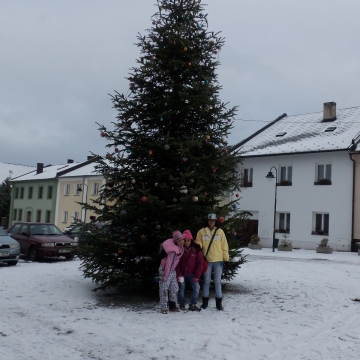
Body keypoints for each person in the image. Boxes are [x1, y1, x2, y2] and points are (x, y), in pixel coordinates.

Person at [195, 213, 229, 311]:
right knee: (206, 281)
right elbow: (199, 242)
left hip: (218, 260)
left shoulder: (220, 232)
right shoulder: (201, 232)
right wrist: (198, 245)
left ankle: (219, 303)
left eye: (213, 220)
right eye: (210, 220)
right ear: (207, 221)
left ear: (215, 221)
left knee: (217, 281)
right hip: (207, 260)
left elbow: (224, 246)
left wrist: (226, 259)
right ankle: (205, 302)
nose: (211, 222)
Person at [176, 230, 204, 311]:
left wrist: (197, 275)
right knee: (181, 287)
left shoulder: (196, 250)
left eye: (188, 241)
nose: (187, 242)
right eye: (185, 240)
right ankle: (181, 303)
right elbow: (177, 263)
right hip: (182, 273)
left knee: (196, 287)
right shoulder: (180, 250)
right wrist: (179, 274)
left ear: (191, 241)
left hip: (192, 273)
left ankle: (193, 303)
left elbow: (200, 263)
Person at [158, 230, 185, 314]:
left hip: (172, 270)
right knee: (164, 288)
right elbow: (169, 264)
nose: (181, 242)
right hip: (165, 270)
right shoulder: (173, 252)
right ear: (176, 242)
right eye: (179, 241)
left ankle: (172, 305)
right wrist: (165, 276)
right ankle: (164, 307)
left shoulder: (181, 248)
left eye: (182, 240)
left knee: (174, 288)